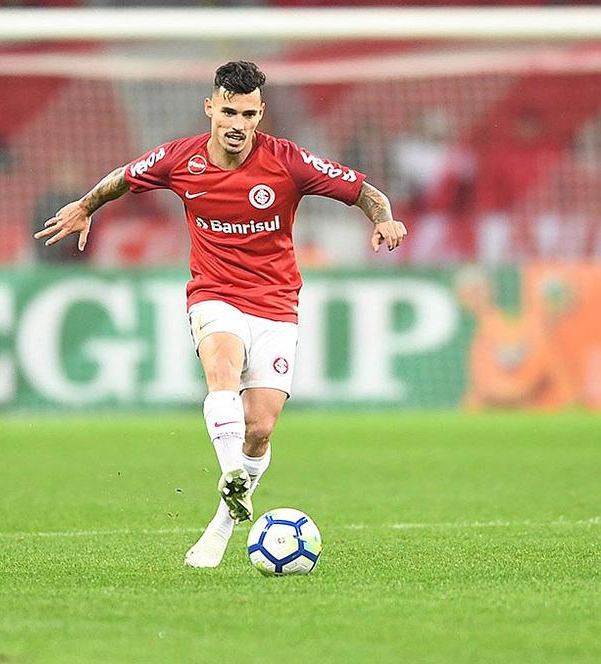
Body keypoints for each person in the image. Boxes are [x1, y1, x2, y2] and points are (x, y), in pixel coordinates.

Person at [35, 61, 407, 568]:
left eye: (248, 114)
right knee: (222, 370)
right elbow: (123, 178)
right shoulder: (180, 160)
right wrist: (85, 206)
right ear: (210, 107)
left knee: (261, 428)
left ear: (261, 115)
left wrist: (384, 221)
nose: (236, 123)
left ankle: (223, 521)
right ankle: (231, 469)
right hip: (214, 293)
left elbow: (367, 192)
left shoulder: (288, 162)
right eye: (228, 111)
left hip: (277, 304)